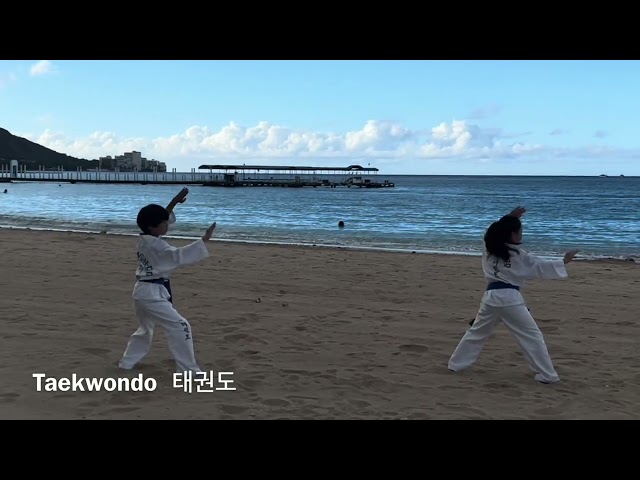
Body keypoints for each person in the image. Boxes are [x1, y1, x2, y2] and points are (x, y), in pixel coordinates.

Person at [447, 206, 579, 384]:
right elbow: (540, 267)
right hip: (509, 298)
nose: (521, 234)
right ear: (512, 235)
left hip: (490, 297)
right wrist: (565, 261)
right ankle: (548, 375)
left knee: (477, 332)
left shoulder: (489, 247)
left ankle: (456, 364)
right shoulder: (518, 255)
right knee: (532, 336)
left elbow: (490, 232)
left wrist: (508, 217)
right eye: (519, 231)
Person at [118, 187, 217, 375]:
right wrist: (204, 240)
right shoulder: (156, 245)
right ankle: (189, 371)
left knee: (145, 329)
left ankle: (127, 363)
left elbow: (162, 219)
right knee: (181, 326)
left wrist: (173, 202)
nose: (167, 225)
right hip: (150, 294)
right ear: (152, 226)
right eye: (163, 223)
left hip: (143, 291)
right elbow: (177, 256)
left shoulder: (145, 239)